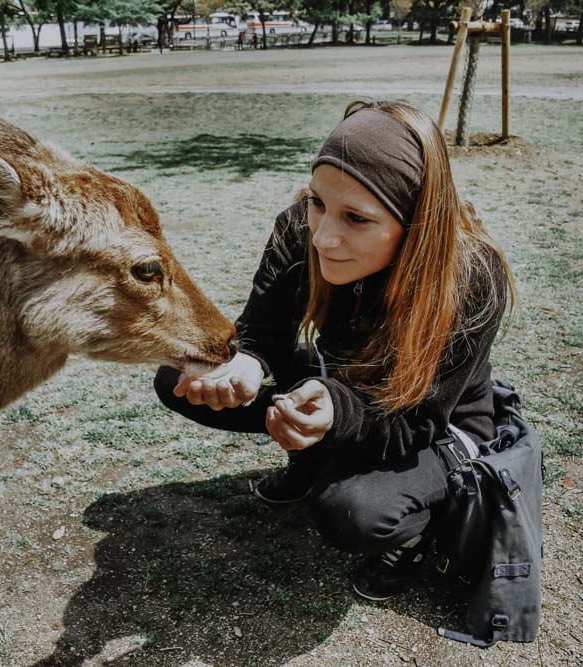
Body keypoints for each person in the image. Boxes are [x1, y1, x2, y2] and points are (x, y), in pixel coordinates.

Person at [154, 99, 515, 601]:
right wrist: (247, 366)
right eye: (318, 202)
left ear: (414, 223)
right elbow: (263, 331)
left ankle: (417, 531)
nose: (324, 236)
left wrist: (334, 414)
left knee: (353, 512)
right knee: (180, 379)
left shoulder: (472, 276)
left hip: (434, 425)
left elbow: (419, 420)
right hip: (343, 386)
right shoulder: (299, 227)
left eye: (357, 219)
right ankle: (311, 459)